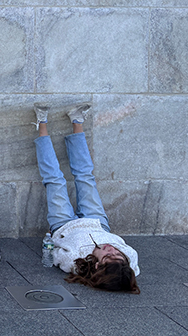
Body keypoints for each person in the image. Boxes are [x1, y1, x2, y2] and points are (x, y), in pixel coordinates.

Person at [33, 103, 140, 293]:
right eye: (117, 253)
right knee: (85, 176)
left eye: (107, 255)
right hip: (98, 222)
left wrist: (52, 239)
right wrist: (117, 260)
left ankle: (41, 122)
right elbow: (128, 263)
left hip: (63, 225)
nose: (111, 249)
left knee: (55, 180)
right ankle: (76, 120)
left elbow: (53, 253)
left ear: (97, 266)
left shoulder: (73, 261)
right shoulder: (129, 261)